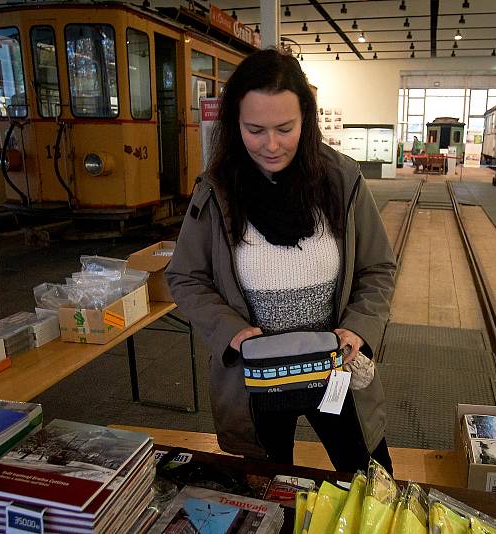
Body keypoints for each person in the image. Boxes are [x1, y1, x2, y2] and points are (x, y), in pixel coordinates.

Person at [165, 49, 396, 474]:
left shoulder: (342, 181)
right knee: (267, 491)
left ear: (305, 121)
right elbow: (185, 277)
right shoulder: (216, 191)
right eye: (255, 129)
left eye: (285, 128)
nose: (271, 145)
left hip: (334, 368)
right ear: (235, 124)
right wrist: (230, 331)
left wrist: (360, 327)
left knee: (371, 480)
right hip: (256, 379)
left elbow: (377, 269)